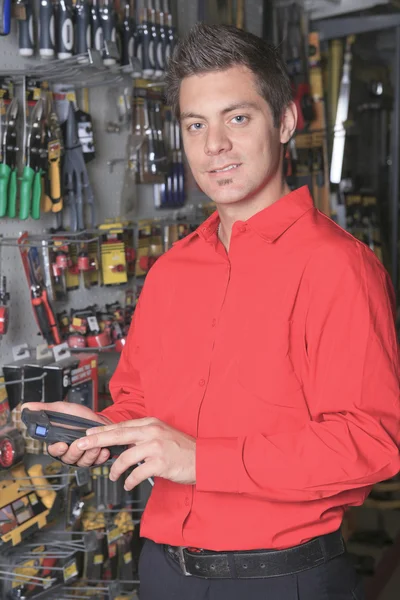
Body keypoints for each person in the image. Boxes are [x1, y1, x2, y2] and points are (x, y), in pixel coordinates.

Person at [25, 23, 399, 600]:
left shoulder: (338, 268)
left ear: (286, 122)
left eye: (238, 118)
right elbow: (141, 402)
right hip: (164, 574)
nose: (214, 145)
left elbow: (370, 442)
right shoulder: (172, 271)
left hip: (282, 579)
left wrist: (202, 461)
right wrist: (101, 431)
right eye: (196, 125)